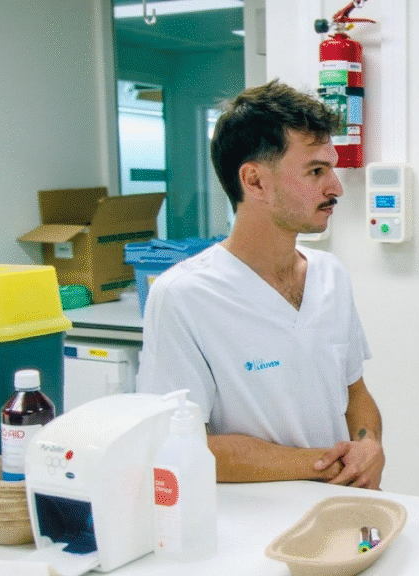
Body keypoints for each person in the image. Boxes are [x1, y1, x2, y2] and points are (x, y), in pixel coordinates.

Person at [136, 80, 384, 489]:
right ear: (254, 182)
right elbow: (176, 444)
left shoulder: (330, 276)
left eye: (331, 168)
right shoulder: (183, 297)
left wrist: (368, 444)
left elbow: (355, 393)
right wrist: (325, 464)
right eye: (316, 171)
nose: (336, 187)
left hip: (336, 505)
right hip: (251, 518)